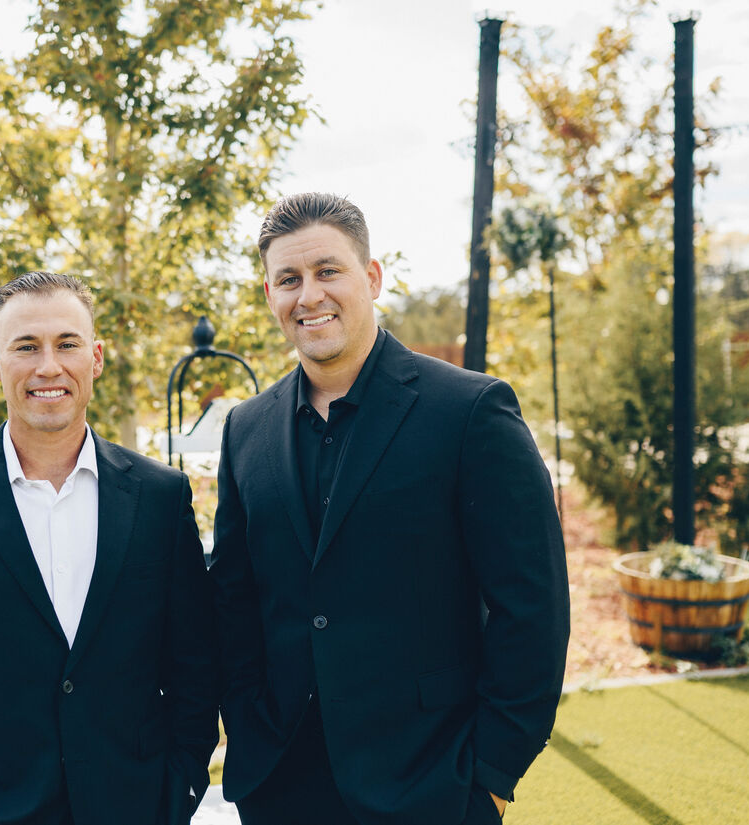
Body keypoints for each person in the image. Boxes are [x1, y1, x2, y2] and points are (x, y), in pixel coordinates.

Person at [210, 193, 570, 825]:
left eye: (328, 271)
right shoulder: (246, 428)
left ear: (371, 278)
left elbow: (533, 610)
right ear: (269, 294)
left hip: (432, 783)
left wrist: (490, 775)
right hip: (280, 786)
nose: (309, 295)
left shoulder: (470, 412)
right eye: (288, 279)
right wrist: (247, 726)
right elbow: (235, 603)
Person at [0, 272, 216, 825]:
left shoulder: (160, 498)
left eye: (67, 344)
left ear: (95, 357)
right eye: (26, 346)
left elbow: (195, 667)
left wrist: (180, 790)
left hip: (135, 805)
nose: (48, 366)